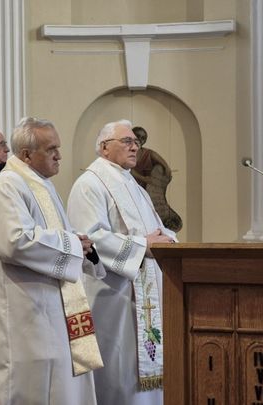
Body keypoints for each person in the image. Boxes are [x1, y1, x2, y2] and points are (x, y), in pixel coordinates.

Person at [0, 117, 103, 404]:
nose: (59, 155)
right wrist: (72, 244)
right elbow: (13, 242)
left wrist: (80, 245)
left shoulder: (40, 185)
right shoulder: (7, 186)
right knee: (34, 390)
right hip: (23, 316)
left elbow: (51, 236)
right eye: (51, 149)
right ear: (26, 155)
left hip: (51, 312)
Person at [67, 119, 177, 405]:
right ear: (104, 147)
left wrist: (169, 240)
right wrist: (143, 246)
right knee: (119, 369)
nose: (135, 147)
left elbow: (156, 230)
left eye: (135, 142)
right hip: (113, 293)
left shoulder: (134, 185)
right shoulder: (89, 184)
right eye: (127, 141)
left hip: (143, 292)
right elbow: (90, 237)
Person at [131, 126, 183, 232]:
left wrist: (165, 173)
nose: (140, 139)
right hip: (133, 190)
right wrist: (144, 179)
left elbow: (165, 166)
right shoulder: (128, 153)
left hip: (148, 192)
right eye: (138, 136)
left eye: (143, 138)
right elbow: (129, 170)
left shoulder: (148, 153)